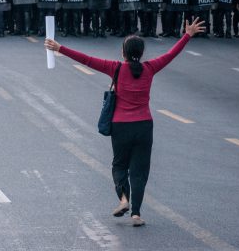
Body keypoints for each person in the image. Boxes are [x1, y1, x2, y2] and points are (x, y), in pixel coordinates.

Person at [44, 17, 206, 227]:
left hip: (121, 126)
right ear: (141, 53)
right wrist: (188, 35)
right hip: (144, 126)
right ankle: (136, 214)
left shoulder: (116, 69)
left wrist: (60, 48)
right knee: (139, 171)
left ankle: (123, 199)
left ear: (123, 53)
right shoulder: (150, 68)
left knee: (119, 165)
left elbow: (86, 59)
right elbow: (170, 55)